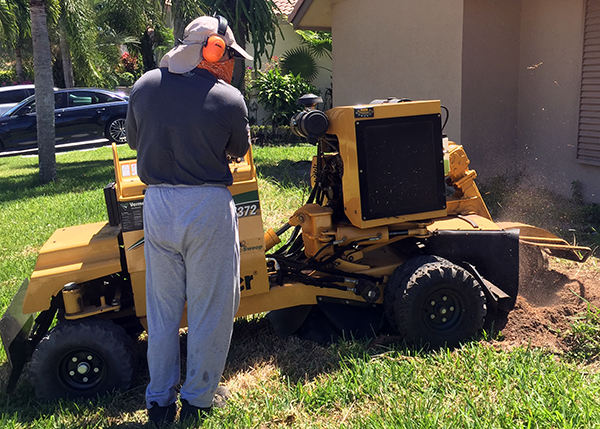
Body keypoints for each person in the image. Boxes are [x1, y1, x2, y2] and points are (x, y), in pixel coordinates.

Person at [126, 15, 252, 426]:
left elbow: (133, 138)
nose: (230, 60)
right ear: (213, 48)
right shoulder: (228, 98)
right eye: (228, 52)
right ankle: (198, 397)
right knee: (210, 307)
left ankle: (160, 400)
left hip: (157, 205)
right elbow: (238, 148)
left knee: (161, 311)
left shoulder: (143, 86)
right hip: (207, 206)